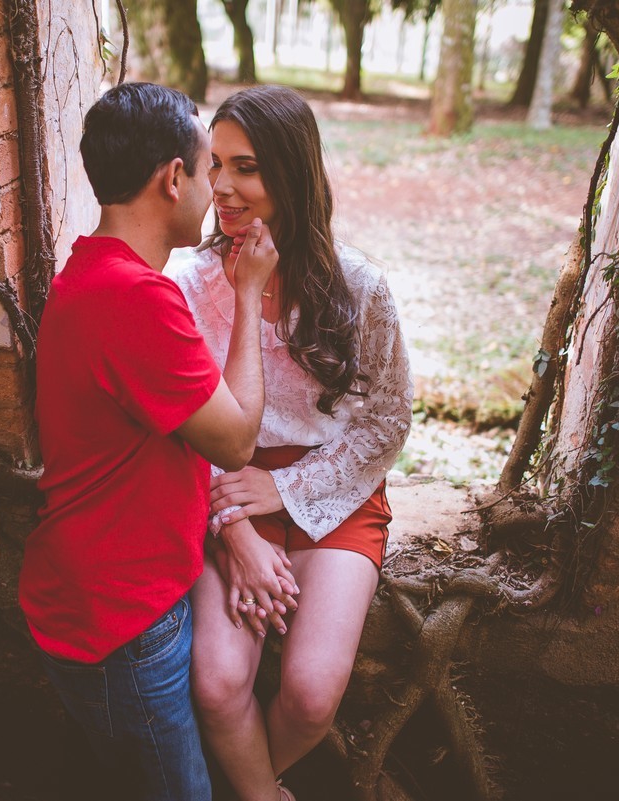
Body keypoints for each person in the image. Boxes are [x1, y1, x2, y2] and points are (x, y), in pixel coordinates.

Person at [19, 82, 279, 801]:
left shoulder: (89, 268)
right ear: (173, 178)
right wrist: (251, 293)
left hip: (93, 596)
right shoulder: (137, 297)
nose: (218, 189)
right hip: (124, 622)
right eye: (207, 171)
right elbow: (234, 441)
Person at [165, 85, 414, 801]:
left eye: (245, 167)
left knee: (308, 694)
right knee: (215, 683)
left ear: (292, 173)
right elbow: (183, 427)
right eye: (214, 164)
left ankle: (246, 784)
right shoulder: (189, 284)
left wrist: (287, 489)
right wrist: (236, 526)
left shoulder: (358, 285)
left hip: (335, 488)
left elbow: (388, 418)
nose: (221, 187)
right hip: (221, 488)